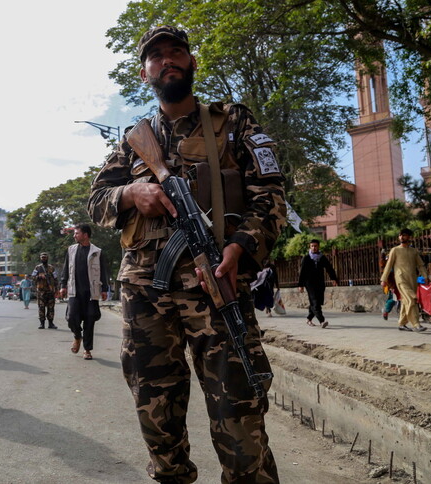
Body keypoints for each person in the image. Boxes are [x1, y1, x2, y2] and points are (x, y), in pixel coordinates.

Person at [88, 25, 284, 483]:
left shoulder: (233, 121)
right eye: (157, 56)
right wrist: (132, 192)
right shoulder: (133, 138)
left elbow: (270, 194)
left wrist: (241, 246)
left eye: (177, 52)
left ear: (192, 62)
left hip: (216, 285)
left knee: (241, 418)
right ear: (145, 72)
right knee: (158, 419)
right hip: (145, 293)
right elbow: (97, 201)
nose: (168, 60)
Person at [59, 224, 109, 360]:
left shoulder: (97, 251)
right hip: (74, 291)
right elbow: (65, 269)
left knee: (90, 320)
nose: (74, 235)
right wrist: (63, 285)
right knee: (71, 317)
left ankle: (87, 350)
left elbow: (103, 271)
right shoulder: (71, 250)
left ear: (85, 235)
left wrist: (104, 289)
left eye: (77, 233)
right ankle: (77, 336)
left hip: (91, 292)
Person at [381, 228, 429, 332]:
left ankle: (402, 323)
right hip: (400, 279)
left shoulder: (413, 251)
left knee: (405, 301)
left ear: (409, 237)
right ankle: (416, 324)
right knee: (412, 299)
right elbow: (388, 266)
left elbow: (420, 265)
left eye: (404, 235)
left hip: (412, 279)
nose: (401, 237)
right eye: (400, 235)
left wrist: (425, 276)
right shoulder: (395, 250)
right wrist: (383, 279)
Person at [298, 239, 339, 328]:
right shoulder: (306, 258)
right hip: (309, 283)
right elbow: (302, 272)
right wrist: (300, 285)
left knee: (318, 302)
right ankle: (322, 321)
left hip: (320, 282)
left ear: (318, 247)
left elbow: (329, 268)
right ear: (310, 247)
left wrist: (334, 279)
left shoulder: (322, 257)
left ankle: (309, 319)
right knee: (315, 301)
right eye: (312, 246)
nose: (314, 248)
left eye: (315, 246)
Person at [32, 252, 58, 329]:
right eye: (42, 257)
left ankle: (51, 323)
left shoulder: (51, 268)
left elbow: (55, 278)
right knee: (41, 307)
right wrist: (39, 277)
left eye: (45, 257)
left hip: (50, 290)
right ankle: (42, 323)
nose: (44, 258)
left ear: (47, 258)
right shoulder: (37, 268)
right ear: (40, 258)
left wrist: (57, 289)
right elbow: (33, 277)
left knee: (51, 307)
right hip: (41, 291)